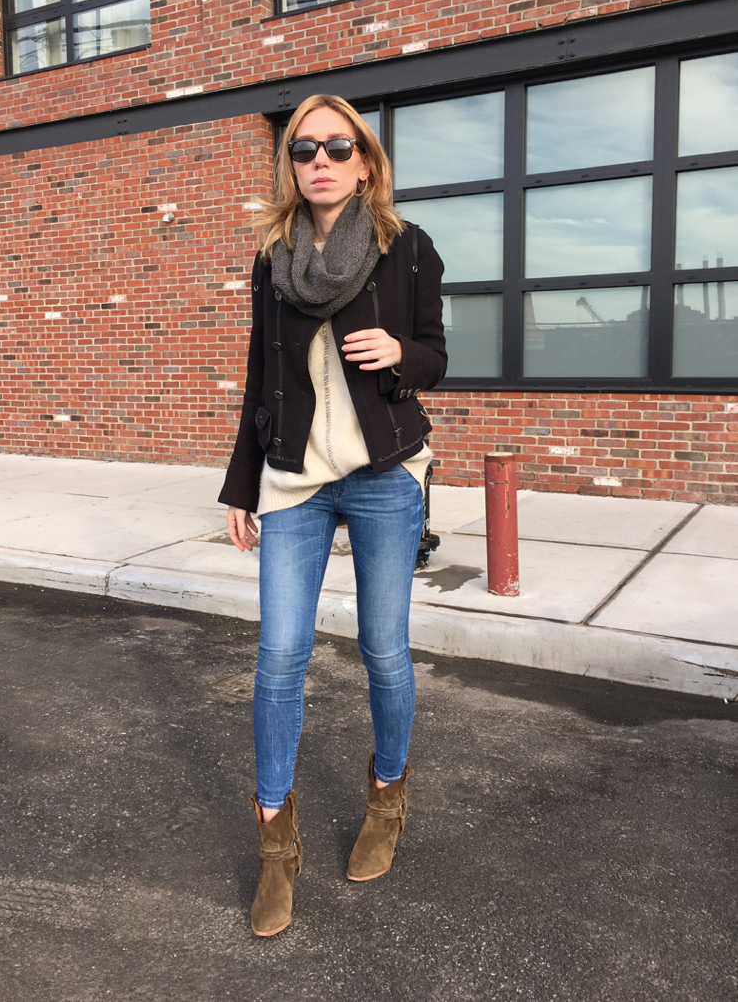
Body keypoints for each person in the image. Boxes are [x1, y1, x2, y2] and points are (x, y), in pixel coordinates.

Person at [218, 93, 446, 936]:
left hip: (384, 472)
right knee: (280, 654)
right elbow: (256, 379)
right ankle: (278, 845)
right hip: (295, 479)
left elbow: (437, 354)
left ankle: (388, 798)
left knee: (384, 648)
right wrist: (240, 485)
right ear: (291, 165)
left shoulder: (403, 246)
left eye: (336, 147)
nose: (319, 160)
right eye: (304, 148)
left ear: (365, 162)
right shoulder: (272, 258)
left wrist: (399, 353)